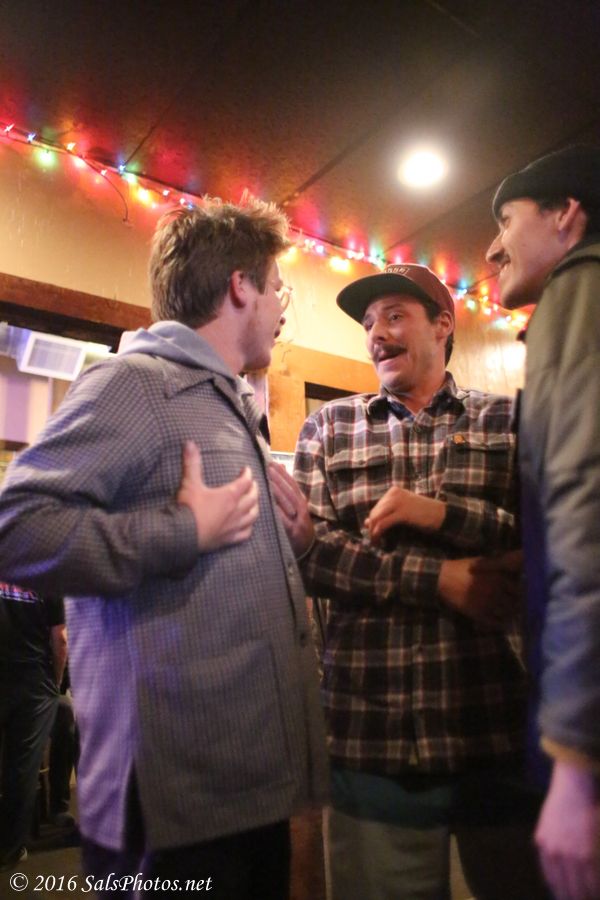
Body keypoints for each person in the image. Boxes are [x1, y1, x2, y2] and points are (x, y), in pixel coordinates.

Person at [0, 197, 328, 899]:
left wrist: (295, 541)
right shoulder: (136, 384)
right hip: (174, 814)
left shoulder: (227, 402)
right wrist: (184, 531)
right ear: (240, 286)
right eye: (278, 289)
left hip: (245, 793)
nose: (282, 310)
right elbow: (17, 527)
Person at [270, 263, 549, 900]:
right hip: (373, 738)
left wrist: (441, 514)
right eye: (369, 323)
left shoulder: (509, 421)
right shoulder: (329, 427)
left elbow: (553, 539)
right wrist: (440, 578)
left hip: (498, 726)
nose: (376, 334)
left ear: (443, 324)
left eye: (394, 316)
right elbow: (306, 557)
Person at [486, 144, 600, 900]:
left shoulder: (579, 289)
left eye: (506, 220)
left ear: (566, 216)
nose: (493, 248)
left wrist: (575, 762)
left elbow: (588, 523)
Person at [0, 583, 66, 869]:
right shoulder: (46, 572)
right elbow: (60, 639)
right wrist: (55, 683)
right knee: (21, 768)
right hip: (33, 679)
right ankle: (9, 849)